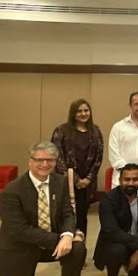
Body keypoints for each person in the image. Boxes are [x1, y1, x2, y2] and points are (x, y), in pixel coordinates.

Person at [0, 141, 86, 276]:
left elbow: (68, 213)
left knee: (77, 248)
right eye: (39, 160)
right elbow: (19, 230)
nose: (45, 164)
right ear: (30, 161)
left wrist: (68, 235)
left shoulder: (60, 182)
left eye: (50, 160)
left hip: (48, 243)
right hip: (21, 247)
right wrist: (60, 238)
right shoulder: (12, 191)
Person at [51, 99, 104, 237]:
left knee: (82, 216)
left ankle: (80, 244)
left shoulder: (95, 131)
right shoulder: (61, 131)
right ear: (73, 113)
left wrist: (88, 179)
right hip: (65, 182)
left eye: (86, 110)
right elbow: (57, 156)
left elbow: (98, 157)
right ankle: (64, 243)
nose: (83, 114)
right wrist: (75, 180)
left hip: (86, 184)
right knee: (65, 215)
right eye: (79, 111)